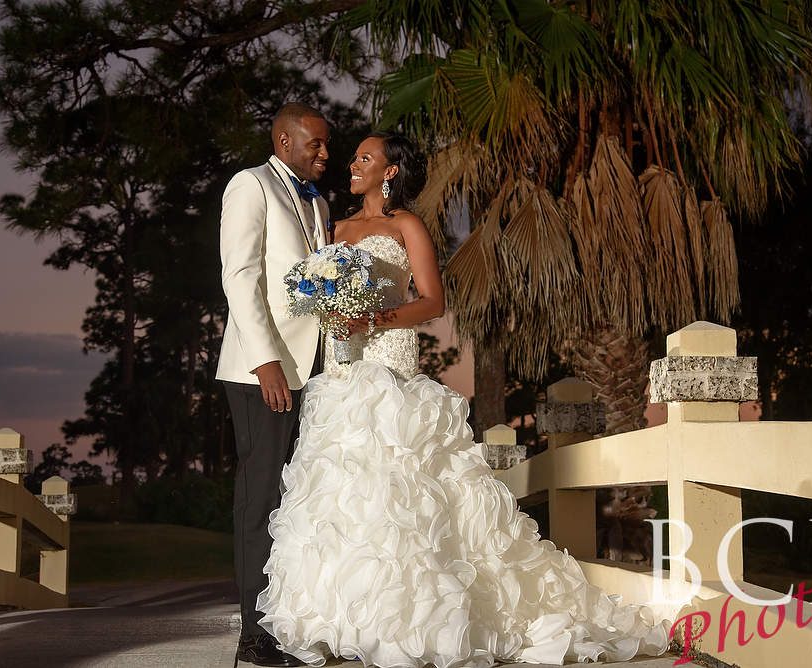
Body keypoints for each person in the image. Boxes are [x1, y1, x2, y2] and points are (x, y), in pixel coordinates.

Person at [255, 132, 672, 667]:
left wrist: (373, 317)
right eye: (354, 157)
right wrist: (327, 306)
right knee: (343, 488)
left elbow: (432, 301)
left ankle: (411, 617)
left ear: (390, 171)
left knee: (399, 484)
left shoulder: (406, 226)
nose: (352, 164)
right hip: (339, 369)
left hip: (388, 363)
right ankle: (339, 618)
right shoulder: (331, 228)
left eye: (364, 158)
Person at [217, 102, 331, 668]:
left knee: (299, 500)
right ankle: (253, 633)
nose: (325, 154)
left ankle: (292, 620)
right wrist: (265, 362)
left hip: (314, 371)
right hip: (262, 373)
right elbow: (240, 276)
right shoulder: (251, 185)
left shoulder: (319, 203)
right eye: (316, 144)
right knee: (259, 497)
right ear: (285, 141)